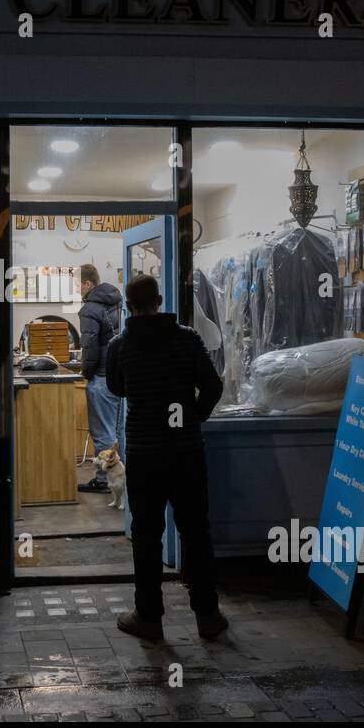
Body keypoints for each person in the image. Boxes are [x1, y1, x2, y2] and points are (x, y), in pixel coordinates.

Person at [105, 274, 228, 641]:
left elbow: (116, 387)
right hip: (186, 451)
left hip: (144, 455)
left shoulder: (120, 346)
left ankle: (149, 618)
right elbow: (213, 386)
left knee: (146, 536)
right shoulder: (187, 339)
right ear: (160, 300)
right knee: (195, 531)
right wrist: (193, 417)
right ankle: (206, 615)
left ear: (128, 305)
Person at [76, 264, 123, 493]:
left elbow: (89, 347)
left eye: (77, 284)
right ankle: (120, 478)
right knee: (118, 431)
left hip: (101, 377)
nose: (77, 289)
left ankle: (104, 480)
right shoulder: (117, 300)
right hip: (119, 377)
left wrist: (86, 373)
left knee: (102, 432)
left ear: (87, 284)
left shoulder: (90, 308)